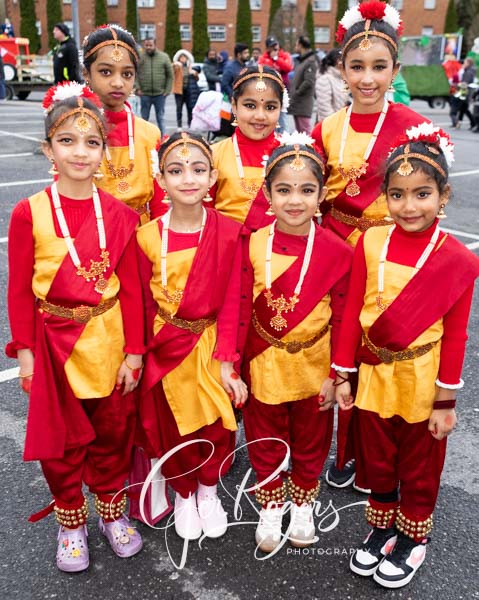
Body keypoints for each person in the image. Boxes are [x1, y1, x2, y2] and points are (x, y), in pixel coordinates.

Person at [5, 83, 145, 573]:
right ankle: (70, 521)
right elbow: (19, 291)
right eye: (67, 141)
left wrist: (134, 352)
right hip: (53, 347)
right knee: (61, 441)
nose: (80, 152)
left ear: (105, 151)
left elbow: (133, 291)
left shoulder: (122, 216)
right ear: (48, 150)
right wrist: (25, 353)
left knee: (113, 432)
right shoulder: (29, 212)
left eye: (91, 142)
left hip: (109, 342)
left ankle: (111, 511)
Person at [333, 124, 479, 588]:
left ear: (444, 196)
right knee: (377, 458)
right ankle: (382, 526)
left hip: (422, 376)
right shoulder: (369, 241)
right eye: (397, 195)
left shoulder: (457, 259)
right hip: (374, 374)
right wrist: (343, 374)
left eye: (422, 194)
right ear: (385, 197)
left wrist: (445, 401)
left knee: (419, 463)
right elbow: (351, 312)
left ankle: (413, 536)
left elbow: (455, 336)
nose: (409, 206)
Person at [311, 0, 430, 492]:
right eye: (356, 66)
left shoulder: (416, 128)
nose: (367, 78)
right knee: (340, 351)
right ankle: (344, 450)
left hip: (390, 256)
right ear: (341, 69)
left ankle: (377, 453)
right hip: (339, 254)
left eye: (379, 67)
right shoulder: (326, 128)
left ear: (395, 70)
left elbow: (428, 197)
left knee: (380, 353)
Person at [240, 135, 352, 552]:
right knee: (264, 438)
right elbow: (238, 307)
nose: (294, 200)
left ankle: (303, 503)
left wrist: (339, 374)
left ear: (322, 196)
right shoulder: (252, 243)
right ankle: (271, 505)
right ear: (267, 193)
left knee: (311, 440)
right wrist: (232, 363)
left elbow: (342, 318)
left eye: (307, 190)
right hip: (263, 361)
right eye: (283, 189)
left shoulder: (337, 251)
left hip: (315, 365)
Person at [136, 132, 247, 541]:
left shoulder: (230, 232)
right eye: (176, 170)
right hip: (166, 346)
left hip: (213, 344)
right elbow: (141, 305)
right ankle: (183, 493)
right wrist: (139, 354)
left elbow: (235, 301)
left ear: (213, 177)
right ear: (160, 179)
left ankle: (208, 490)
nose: (188, 179)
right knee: (175, 425)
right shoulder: (146, 236)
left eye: (198, 170)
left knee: (217, 424)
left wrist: (228, 361)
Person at [82, 25, 165, 221]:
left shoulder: (149, 133)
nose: (118, 83)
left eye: (127, 74)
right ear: (87, 75)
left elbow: (160, 202)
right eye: (106, 72)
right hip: (94, 232)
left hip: (143, 233)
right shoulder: (76, 131)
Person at [211, 65, 284, 232]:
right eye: (250, 105)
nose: (260, 116)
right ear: (234, 106)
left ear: (281, 108)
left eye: (270, 107)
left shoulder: (294, 155)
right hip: (226, 245)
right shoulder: (213, 155)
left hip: (278, 246)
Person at [136, 38, 173, 139]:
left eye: (150, 45)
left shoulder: (164, 57)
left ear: (155, 45)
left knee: (160, 118)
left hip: (160, 94)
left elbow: (170, 75)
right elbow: (135, 73)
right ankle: (143, 138)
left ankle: (163, 139)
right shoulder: (140, 58)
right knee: (144, 119)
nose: (148, 47)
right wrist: (138, 88)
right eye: (146, 45)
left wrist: (167, 90)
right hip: (145, 94)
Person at [258, 37, 293, 133]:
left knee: (282, 114)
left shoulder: (284, 55)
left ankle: (284, 134)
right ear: (267, 48)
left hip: (282, 89)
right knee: (270, 113)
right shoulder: (263, 58)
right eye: (272, 46)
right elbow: (263, 70)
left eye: (276, 45)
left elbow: (288, 68)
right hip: (268, 90)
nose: (275, 48)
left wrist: (276, 59)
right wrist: (272, 63)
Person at [288, 35, 318, 134]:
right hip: (297, 102)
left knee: (305, 133)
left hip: (303, 103)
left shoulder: (310, 61)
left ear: (300, 45)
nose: (295, 47)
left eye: (296, 45)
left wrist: (297, 92)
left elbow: (309, 81)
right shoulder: (302, 60)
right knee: (299, 133)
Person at [315, 48, 349, 123]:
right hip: (330, 124)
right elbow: (324, 108)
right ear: (337, 61)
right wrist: (335, 123)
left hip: (341, 122)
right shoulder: (325, 79)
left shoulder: (342, 78)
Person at [172, 49, 200, 129]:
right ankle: (179, 125)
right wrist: (176, 64)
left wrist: (194, 73)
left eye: (184, 57)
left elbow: (197, 79)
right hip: (179, 91)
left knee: (190, 108)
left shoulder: (190, 67)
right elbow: (171, 70)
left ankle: (190, 124)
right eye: (181, 57)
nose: (183, 58)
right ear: (178, 58)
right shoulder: (177, 66)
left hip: (188, 91)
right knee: (179, 109)